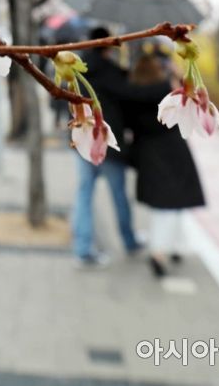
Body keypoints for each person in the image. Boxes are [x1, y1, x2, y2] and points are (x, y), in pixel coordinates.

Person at [70, 25, 171, 268]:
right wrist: (165, 83)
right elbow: (133, 94)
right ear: (108, 46)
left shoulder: (76, 71)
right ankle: (129, 241)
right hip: (108, 143)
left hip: (82, 141)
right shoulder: (110, 72)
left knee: (84, 194)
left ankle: (83, 248)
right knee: (118, 196)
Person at [127, 49, 206, 277]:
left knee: (163, 204)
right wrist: (177, 73)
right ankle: (161, 251)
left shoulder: (130, 93)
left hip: (147, 154)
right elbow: (187, 100)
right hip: (173, 152)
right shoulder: (164, 90)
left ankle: (174, 246)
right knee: (174, 203)